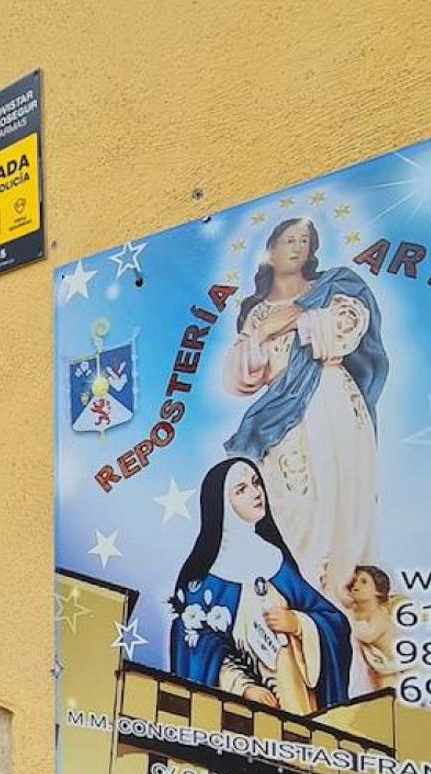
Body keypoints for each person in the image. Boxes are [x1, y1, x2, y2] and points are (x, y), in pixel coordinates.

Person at [221, 217, 389, 604]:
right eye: (288, 240)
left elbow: (343, 331)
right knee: (290, 504)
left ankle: (338, 607)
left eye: (304, 241)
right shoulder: (256, 312)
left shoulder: (335, 288)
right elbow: (245, 375)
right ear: (271, 249)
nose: (297, 248)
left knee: (339, 496)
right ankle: (294, 599)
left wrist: (298, 315)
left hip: (330, 401)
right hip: (284, 417)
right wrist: (259, 337)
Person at [169, 459, 353, 714]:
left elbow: (334, 621)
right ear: (221, 503)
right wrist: (242, 688)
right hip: (246, 713)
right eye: (241, 489)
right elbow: (197, 649)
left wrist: (300, 624)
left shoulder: (276, 560)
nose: (256, 493)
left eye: (256, 483)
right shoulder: (205, 581)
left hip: (300, 700)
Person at [346, 564, 409, 693]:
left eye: (364, 582)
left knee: (387, 696)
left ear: (378, 590)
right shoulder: (356, 610)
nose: (356, 585)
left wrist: (345, 623)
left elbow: (368, 634)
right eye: (355, 581)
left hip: (391, 668)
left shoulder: (380, 615)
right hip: (378, 667)